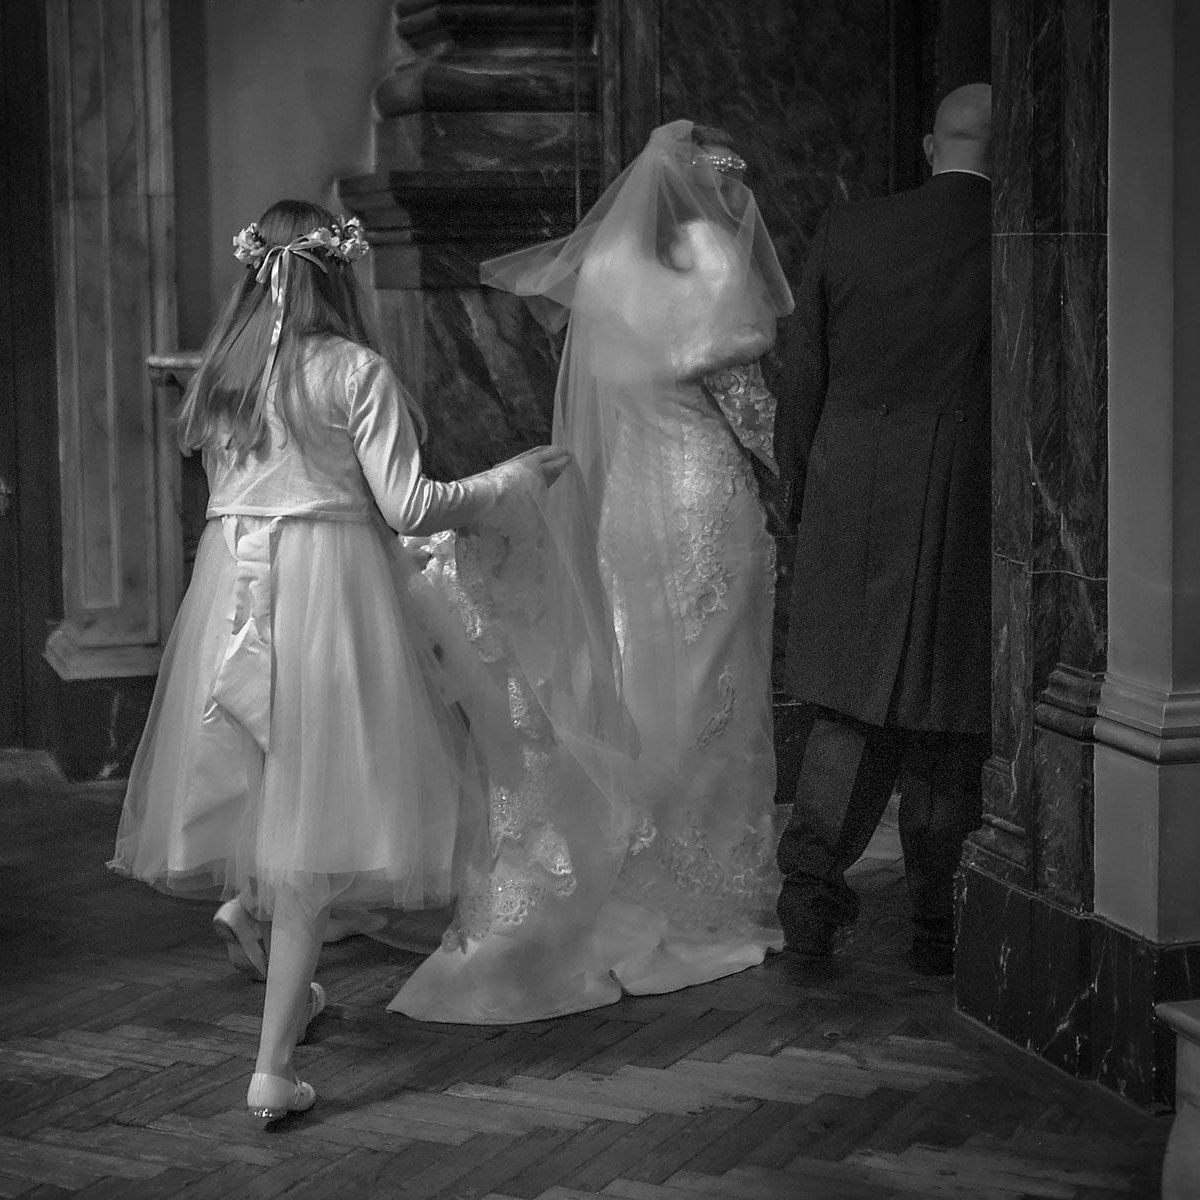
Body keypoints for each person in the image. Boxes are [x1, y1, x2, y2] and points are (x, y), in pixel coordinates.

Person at [110, 199, 567, 1120]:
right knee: (320, 815)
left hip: (233, 596)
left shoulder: (224, 377)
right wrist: (509, 482)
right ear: (339, 276)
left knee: (269, 770)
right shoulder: (354, 371)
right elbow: (410, 504)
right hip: (327, 601)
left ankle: (251, 915)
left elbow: (233, 495)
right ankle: (272, 1068)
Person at [390, 120, 791, 1024]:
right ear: (708, 189)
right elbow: (750, 410)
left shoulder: (607, 268)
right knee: (712, 690)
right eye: (732, 185)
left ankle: (625, 869)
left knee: (643, 684)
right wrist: (808, 478)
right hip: (701, 500)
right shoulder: (715, 263)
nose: (741, 205)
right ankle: (696, 896)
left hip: (626, 511)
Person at [771, 83, 994, 976]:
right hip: (965, 497)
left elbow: (803, 382)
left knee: (848, 713)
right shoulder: (1017, 238)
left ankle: (810, 918)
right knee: (947, 721)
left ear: (931, 147)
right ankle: (938, 926)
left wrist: (805, 505)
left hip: (851, 493)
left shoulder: (850, 229)